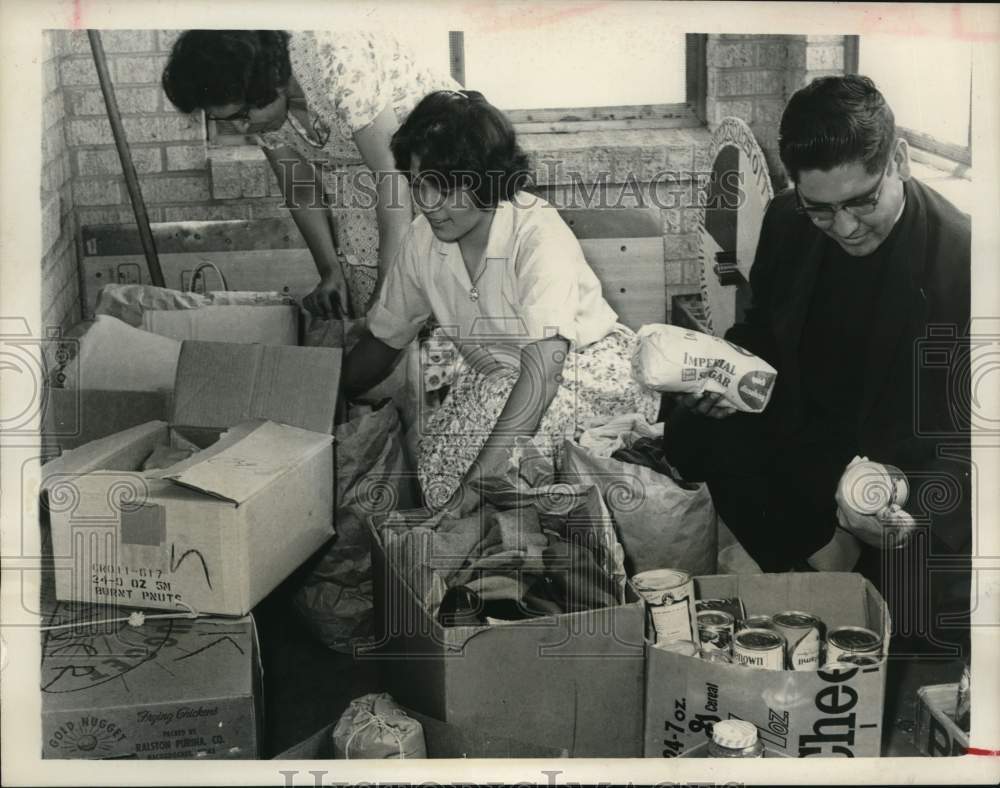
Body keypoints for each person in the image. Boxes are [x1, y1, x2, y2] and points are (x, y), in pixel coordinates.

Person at [664, 75, 971, 652]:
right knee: (695, 428)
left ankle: (829, 561)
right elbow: (763, 336)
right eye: (822, 210)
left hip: (905, 475)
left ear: (899, 160)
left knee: (925, 627)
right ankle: (825, 557)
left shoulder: (968, 260)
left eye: (862, 202)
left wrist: (903, 490)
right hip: (814, 441)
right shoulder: (787, 221)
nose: (846, 228)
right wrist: (722, 374)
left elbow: (979, 444)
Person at [342, 90, 660, 513]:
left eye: (446, 187)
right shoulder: (422, 241)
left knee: (501, 475)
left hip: (581, 376)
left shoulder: (536, 233)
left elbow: (543, 373)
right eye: (419, 185)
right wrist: (320, 394)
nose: (429, 204)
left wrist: (474, 488)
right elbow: (385, 340)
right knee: (440, 453)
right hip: (500, 380)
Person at [162, 30, 458, 318]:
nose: (241, 129)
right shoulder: (260, 112)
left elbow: (391, 176)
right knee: (372, 309)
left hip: (447, 160)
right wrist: (330, 270)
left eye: (241, 116)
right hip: (371, 178)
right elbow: (300, 189)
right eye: (224, 120)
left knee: (430, 299)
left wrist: (387, 289)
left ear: (270, 87)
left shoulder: (335, 58)